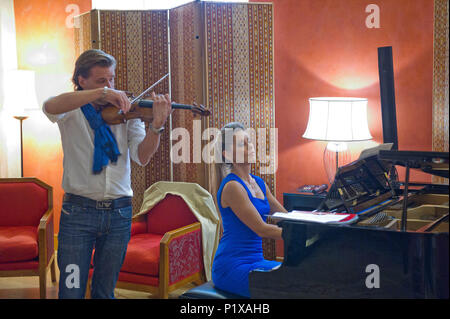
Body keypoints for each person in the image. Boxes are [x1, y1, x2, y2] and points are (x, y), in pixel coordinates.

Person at [42, 49, 172, 299]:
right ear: (82, 80)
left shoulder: (127, 110)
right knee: (70, 290)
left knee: (105, 292)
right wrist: (101, 93)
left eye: (111, 79)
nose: (110, 86)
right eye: (102, 81)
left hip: (119, 213)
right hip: (78, 214)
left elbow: (142, 156)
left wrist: (156, 126)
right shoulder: (70, 108)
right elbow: (49, 105)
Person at [211, 122, 287, 297]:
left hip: (256, 261)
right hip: (232, 266)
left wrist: (314, 223)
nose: (250, 147)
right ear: (228, 154)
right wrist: (298, 234)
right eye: (241, 144)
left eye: (249, 142)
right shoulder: (232, 186)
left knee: (299, 280)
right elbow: (262, 228)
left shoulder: (258, 183)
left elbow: (284, 216)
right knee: (288, 287)